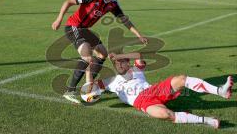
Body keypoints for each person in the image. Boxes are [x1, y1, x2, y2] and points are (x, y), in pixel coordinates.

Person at [52, 0, 148, 103]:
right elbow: (68, 2)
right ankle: (70, 90)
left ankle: (90, 87)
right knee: (87, 57)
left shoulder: (112, 3)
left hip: (84, 29)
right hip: (73, 27)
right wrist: (59, 19)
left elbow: (123, 19)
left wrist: (138, 34)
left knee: (103, 54)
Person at [96, 52, 234, 128]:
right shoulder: (110, 80)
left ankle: (220, 91)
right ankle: (208, 121)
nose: (120, 65)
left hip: (154, 90)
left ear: (127, 63)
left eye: (123, 62)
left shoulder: (136, 68)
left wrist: (118, 56)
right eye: (118, 64)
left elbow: (139, 55)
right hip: (142, 102)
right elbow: (92, 88)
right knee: (164, 114)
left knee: (182, 79)